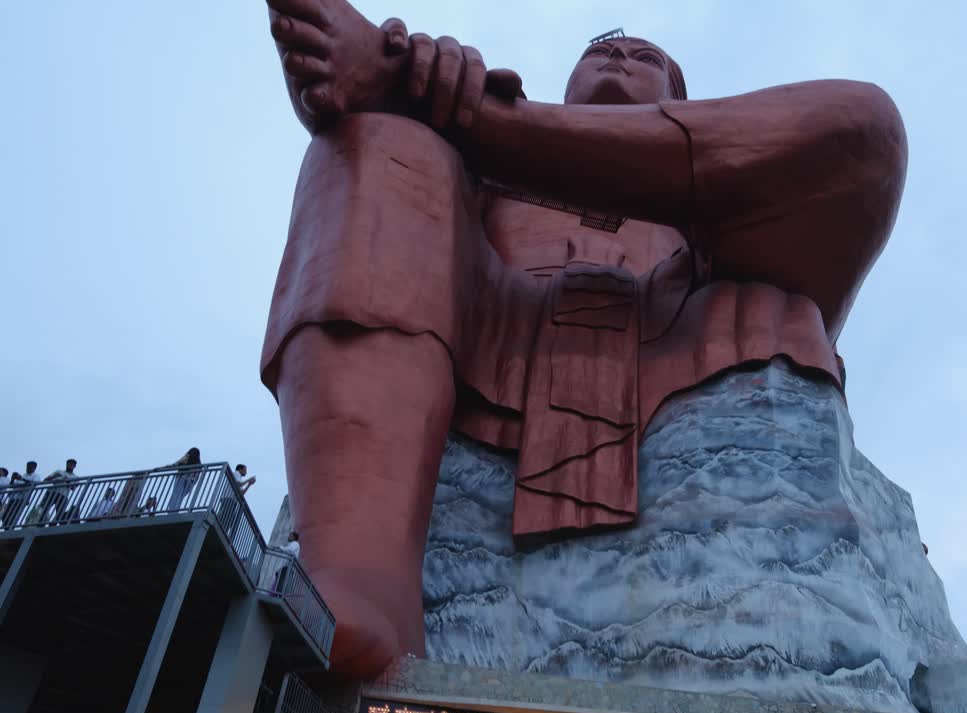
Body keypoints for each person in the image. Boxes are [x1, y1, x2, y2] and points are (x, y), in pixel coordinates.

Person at [263, 0, 905, 677]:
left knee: (868, 124)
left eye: (647, 60)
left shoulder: (708, 213)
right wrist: (418, 107)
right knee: (385, 145)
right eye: (602, 52)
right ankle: (363, 574)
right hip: (488, 340)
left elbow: (846, 156)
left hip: (672, 335)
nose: (621, 58)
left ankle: (465, 114)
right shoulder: (481, 185)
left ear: (679, 98)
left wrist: (458, 106)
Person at [37, 458, 77, 524]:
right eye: (69, 464)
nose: (70, 465)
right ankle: (40, 524)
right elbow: (45, 480)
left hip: (63, 495)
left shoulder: (75, 477)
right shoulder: (59, 472)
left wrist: (67, 481)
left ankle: (54, 526)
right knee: (43, 509)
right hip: (52, 492)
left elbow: (73, 488)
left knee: (60, 513)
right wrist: (54, 476)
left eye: (72, 464)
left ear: (74, 466)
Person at [164, 447, 201, 511]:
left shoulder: (187, 457)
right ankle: (175, 510)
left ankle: (172, 510)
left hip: (181, 478)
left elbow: (176, 464)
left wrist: (165, 467)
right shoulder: (199, 464)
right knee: (180, 497)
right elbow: (196, 477)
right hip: (189, 483)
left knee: (176, 495)